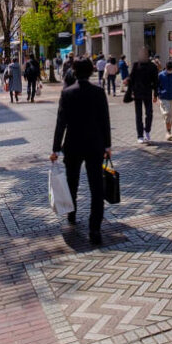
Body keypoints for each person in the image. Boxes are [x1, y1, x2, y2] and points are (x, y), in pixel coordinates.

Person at [50, 59, 112, 246]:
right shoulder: (99, 92)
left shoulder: (67, 93)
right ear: (91, 72)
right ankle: (95, 229)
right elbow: (105, 121)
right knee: (96, 188)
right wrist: (107, 146)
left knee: (72, 182)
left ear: (74, 73)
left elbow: (61, 123)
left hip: (73, 144)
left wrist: (55, 149)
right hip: (95, 145)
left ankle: (72, 213)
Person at [128, 48, 158, 144]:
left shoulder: (153, 66)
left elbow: (156, 81)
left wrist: (156, 94)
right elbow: (131, 78)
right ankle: (140, 135)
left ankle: (147, 130)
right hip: (137, 93)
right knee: (139, 115)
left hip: (148, 92)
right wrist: (131, 90)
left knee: (149, 113)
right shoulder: (136, 65)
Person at [156, 60, 172, 140]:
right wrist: (159, 93)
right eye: (169, 69)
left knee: (171, 115)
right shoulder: (160, 75)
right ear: (166, 68)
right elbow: (157, 86)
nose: (171, 71)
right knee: (167, 114)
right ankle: (168, 132)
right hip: (164, 98)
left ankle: (169, 130)